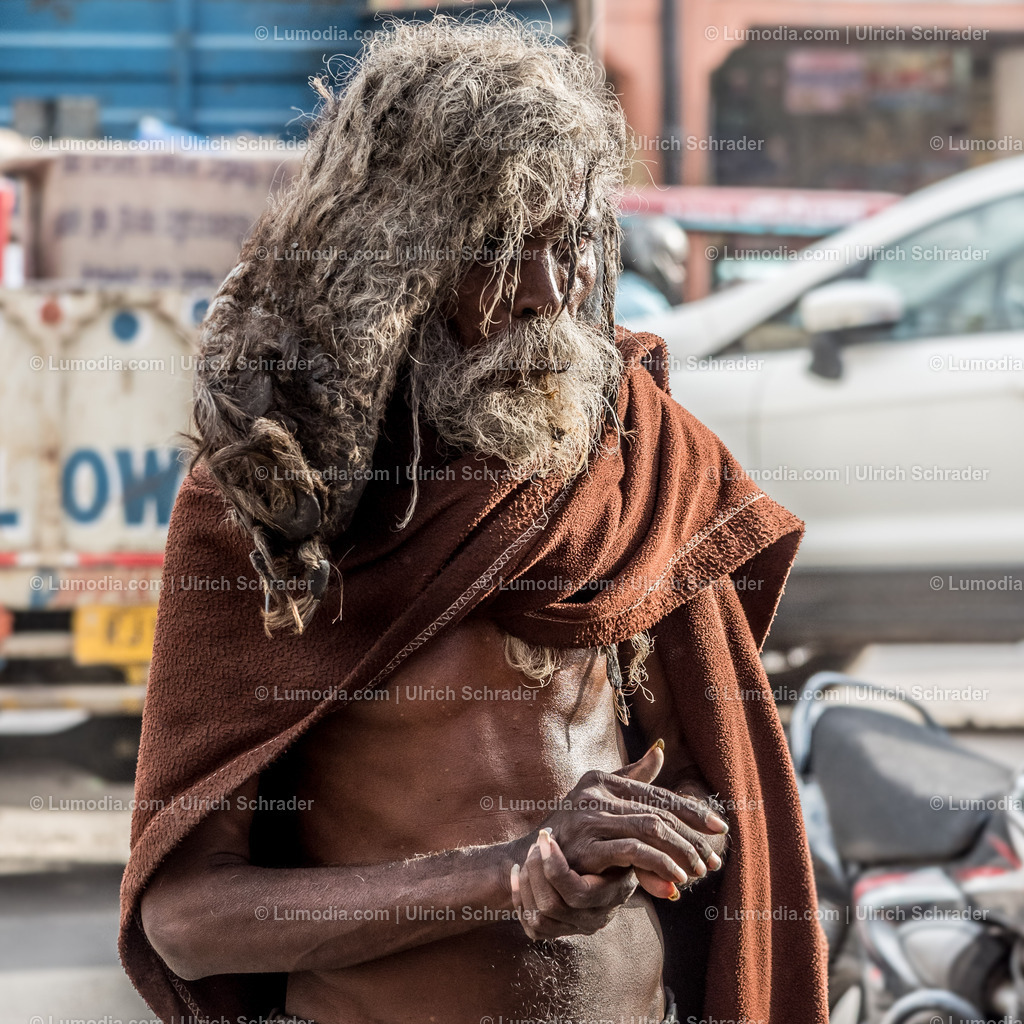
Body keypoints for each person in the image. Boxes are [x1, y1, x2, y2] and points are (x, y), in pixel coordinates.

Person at [119, 16, 828, 1024]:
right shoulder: (280, 504)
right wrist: (506, 872)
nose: (547, 294)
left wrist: (662, 838)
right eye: (495, 251)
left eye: (564, 245)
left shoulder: (636, 456)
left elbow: (717, 781)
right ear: (386, 260)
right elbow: (187, 919)